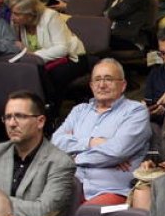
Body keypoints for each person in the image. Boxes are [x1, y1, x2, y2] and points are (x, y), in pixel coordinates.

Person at [53, 59, 151, 205]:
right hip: (68, 184)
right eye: (97, 79)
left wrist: (74, 159)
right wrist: (91, 142)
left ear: (123, 85)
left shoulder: (135, 111)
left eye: (108, 79)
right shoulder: (79, 111)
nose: (102, 85)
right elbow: (56, 142)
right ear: (91, 86)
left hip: (110, 190)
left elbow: (116, 152)